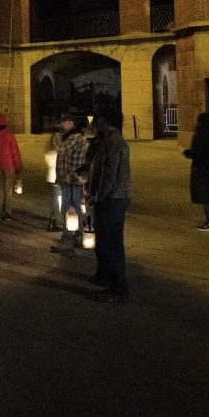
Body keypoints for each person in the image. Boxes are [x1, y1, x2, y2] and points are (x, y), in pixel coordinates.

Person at [88, 111, 132, 301]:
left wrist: (99, 195)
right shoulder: (111, 141)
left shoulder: (113, 143)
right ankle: (108, 277)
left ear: (106, 122)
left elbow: (109, 174)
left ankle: (117, 286)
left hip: (112, 199)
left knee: (110, 242)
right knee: (109, 241)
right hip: (115, 197)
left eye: (99, 121)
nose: (96, 125)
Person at [50, 114, 88, 240]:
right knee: (71, 207)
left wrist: (55, 135)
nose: (61, 125)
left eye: (64, 122)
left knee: (70, 207)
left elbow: (60, 149)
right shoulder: (69, 137)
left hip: (72, 179)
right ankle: (75, 235)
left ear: (72, 123)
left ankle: (70, 236)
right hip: (67, 178)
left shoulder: (75, 137)